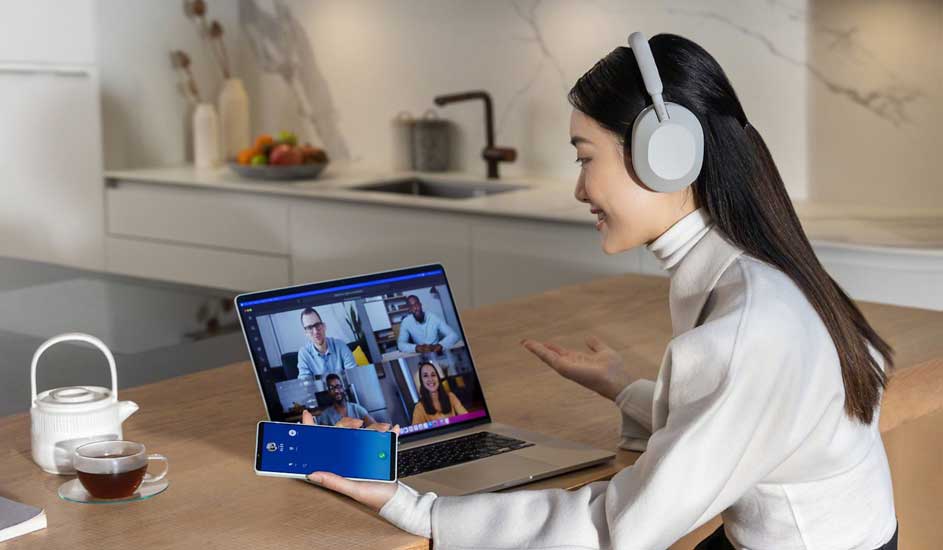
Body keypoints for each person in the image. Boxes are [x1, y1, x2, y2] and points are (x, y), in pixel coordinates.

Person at [303, 33, 899, 550]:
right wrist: (625, 390)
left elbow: (617, 530)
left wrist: (415, 506)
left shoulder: (753, 325)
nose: (579, 189)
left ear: (665, 156)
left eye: (585, 158)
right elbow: (740, 421)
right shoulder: (754, 269)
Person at [296, 307, 357, 380]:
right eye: (309, 328)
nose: (315, 332)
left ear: (324, 326)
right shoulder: (304, 354)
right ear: (306, 333)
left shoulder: (341, 345)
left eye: (317, 325)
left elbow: (354, 375)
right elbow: (305, 384)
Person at [315, 373, 384, 429]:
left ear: (343, 388)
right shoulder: (325, 416)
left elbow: (376, 428)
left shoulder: (357, 409)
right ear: (329, 392)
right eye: (332, 388)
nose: (336, 391)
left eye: (338, 386)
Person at [410, 361, 468, 425]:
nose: (430, 379)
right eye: (425, 376)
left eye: (433, 375)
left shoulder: (451, 397)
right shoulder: (419, 408)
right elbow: (417, 432)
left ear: (438, 378)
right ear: (422, 381)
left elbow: (466, 417)